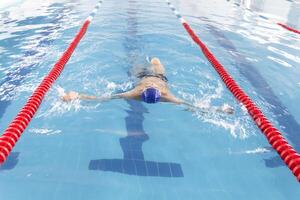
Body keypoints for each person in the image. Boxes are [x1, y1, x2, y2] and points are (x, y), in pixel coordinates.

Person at [62, 57, 234, 114]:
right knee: (156, 60)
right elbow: (193, 105)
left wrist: (77, 95)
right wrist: (219, 110)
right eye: (151, 86)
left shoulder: (135, 92)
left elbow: (104, 98)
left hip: (140, 75)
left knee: (135, 63)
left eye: (150, 86)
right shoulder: (167, 96)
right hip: (160, 74)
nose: (151, 84)